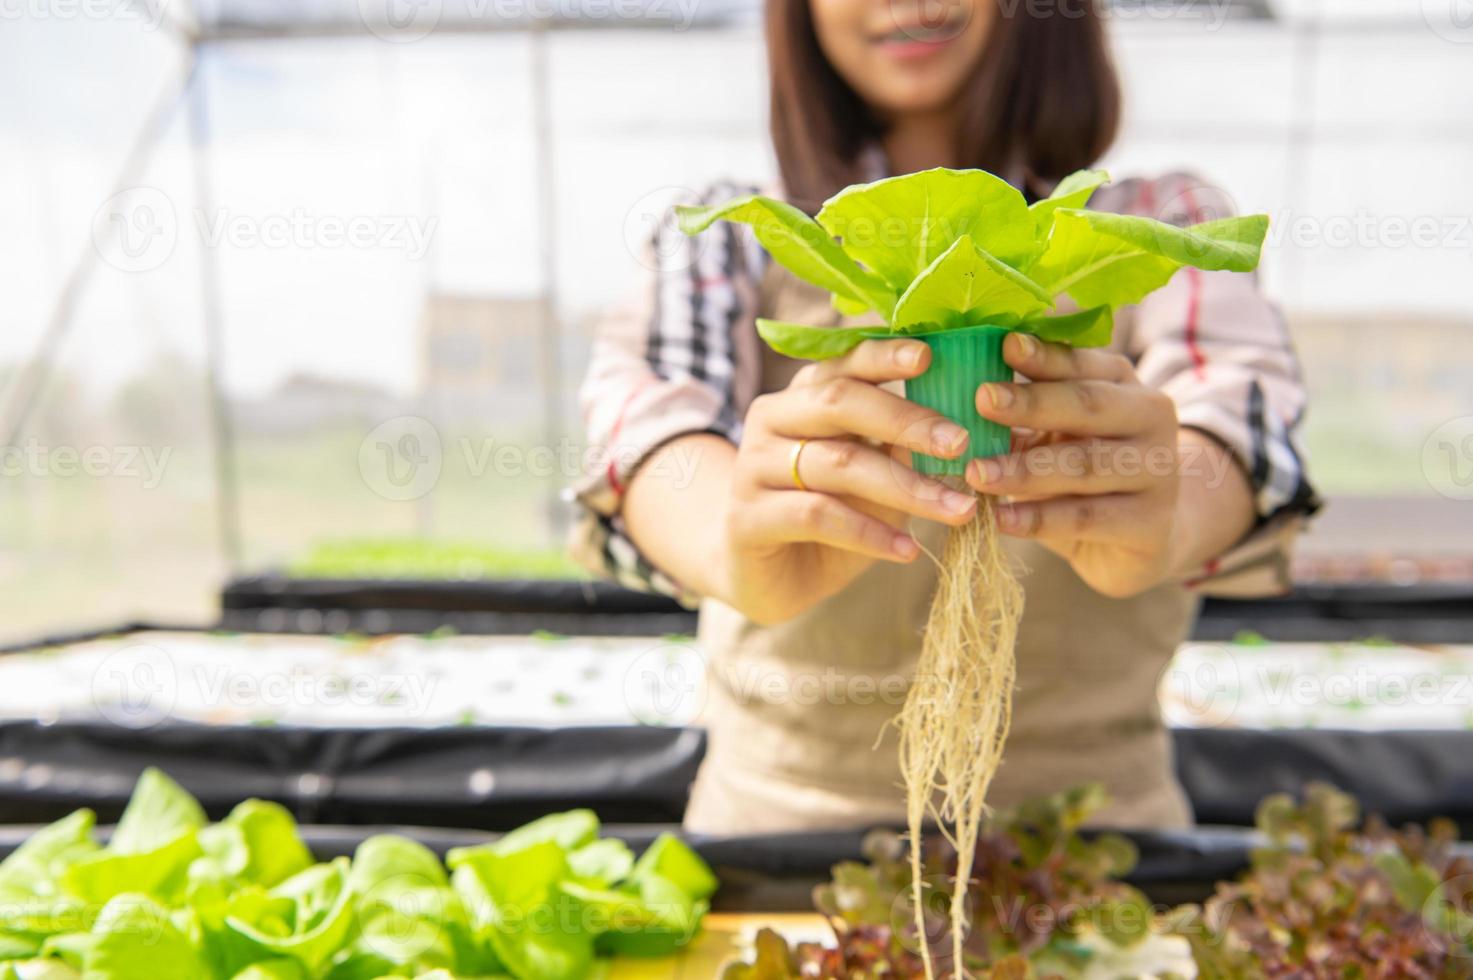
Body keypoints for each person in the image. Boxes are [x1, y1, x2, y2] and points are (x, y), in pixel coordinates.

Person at [572, 0, 1319, 834]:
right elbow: (649, 433)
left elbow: (1239, 429)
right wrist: (731, 537)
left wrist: (1168, 510)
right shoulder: (729, 234)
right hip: (779, 835)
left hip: (1096, 834)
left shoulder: (1160, 217)